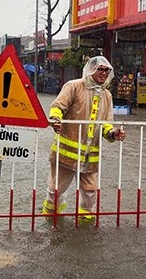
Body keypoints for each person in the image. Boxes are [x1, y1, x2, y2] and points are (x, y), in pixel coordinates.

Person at [43, 56, 126, 224]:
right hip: (67, 153)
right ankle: (49, 220)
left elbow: (105, 124)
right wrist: (55, 120)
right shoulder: (74, 86)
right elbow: (58, 107)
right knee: (55, 190)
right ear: (91, 70)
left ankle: (85, 223)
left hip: (90, 155)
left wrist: (113, 134)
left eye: (106, 70)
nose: (103, 73)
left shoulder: (107, 96)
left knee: (90, 190)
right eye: (100, 69)